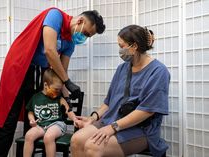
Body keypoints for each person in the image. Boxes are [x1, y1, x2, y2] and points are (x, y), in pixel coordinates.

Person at [0, 7, 105, 157]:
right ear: (80, 21)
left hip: (39, 70)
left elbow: (62, 73)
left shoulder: (70, 43)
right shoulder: (55, 15)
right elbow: (49, 50)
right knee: (9, 119)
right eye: (86, 33)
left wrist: (67, 97)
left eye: (88, 36)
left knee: (33, 118)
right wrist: (68, 82)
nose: (84, 37)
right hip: (19, 64)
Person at [71, 25, 170, 157]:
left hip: (140, 129)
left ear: (134, 46)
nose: (119, 50)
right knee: (76, 140)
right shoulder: (122, 69)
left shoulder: (158, 72)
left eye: (121, 46)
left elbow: (147, 110)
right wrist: (92, 118)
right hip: (111, 120)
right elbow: (109, 102)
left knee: (93, 146)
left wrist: (113, 127)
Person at [23, 69, 79, 157]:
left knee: (48, 137)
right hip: (41, 125)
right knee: (28, 136)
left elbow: (68, 111)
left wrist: (75, 119)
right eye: (56, 89)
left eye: (59, 90)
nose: (58, 92)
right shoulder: (35, 98)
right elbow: (30, 112)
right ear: (46, 85)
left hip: (57, 124)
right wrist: (32, 120)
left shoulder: (59, 99)